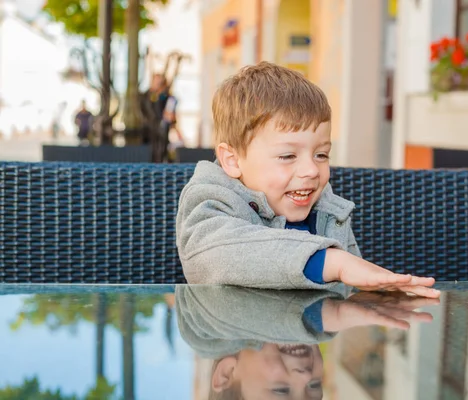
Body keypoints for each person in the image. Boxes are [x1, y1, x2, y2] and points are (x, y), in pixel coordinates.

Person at [175, 61, 440, 296]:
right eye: (288, 155)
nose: (312, 170)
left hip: (308, 334)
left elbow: (348, 287)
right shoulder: (211, 199)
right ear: (232, 160)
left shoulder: (324, 207)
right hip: (242, 346)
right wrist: (333, 262)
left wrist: (381, 292)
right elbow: (214, 254)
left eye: (321, 154)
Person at [176, 285, 438, 400]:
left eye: (281, 391)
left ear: (227, 372)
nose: (303, 375)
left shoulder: (204, 314)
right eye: (315, 386)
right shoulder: (329, 312)